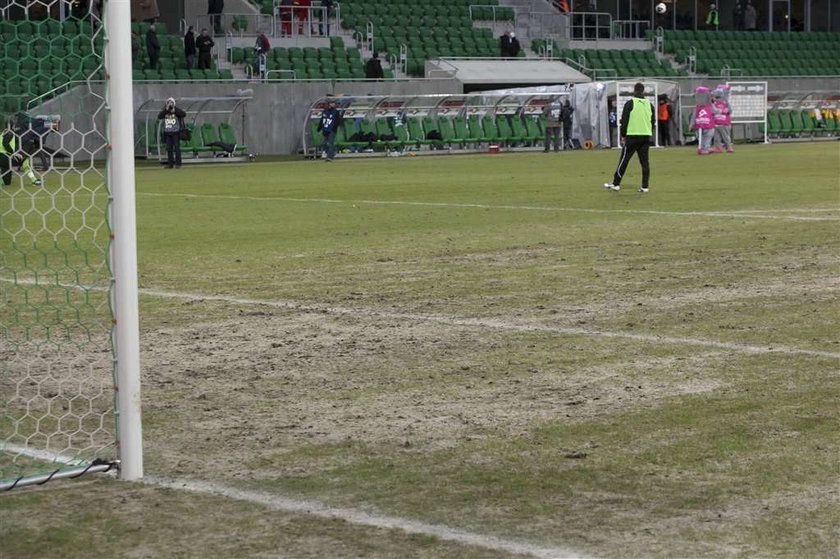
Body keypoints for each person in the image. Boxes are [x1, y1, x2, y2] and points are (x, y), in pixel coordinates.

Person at [604, 82, 655, 193]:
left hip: (633, 136)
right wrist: (648, 131)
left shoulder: (630, 103)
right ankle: (645, 186)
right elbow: (653, 120)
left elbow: (625, 121)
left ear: (634, 90)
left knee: (624, 160)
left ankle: (616, 183)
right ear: (643, 91)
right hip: (645, 136)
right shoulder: (649, 104)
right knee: (645, 162)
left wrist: (623, 135)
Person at [157, 98, 187, 169]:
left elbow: (183, 114)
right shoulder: (165, 111)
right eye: (168, 103)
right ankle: (170, 164)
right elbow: (159, 116)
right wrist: (166, 110)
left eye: (171, 103)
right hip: (168, 132)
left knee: (177, 148)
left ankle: (178, 164)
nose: (170, 104)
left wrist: (175, 109)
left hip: (175, 132)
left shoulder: (176, 111)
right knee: (169, 149)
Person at [688, 86, 715, 155]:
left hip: (699, 123)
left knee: (701, 136)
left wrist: (691, 124)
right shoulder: (710, 106)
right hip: (708, 123)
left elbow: (694, 116)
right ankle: (705, 149)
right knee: (708, 136)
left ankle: (703, 148)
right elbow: (716, 112)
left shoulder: (697, 107)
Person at [711, 86, 734, 153]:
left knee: (726, 137)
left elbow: (730, 111)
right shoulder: (713, 104)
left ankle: (729, 147)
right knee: (716, 137)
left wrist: (726, 110)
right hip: (716, 122)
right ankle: (718, 148)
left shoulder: (725, 103)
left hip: (724, 123)